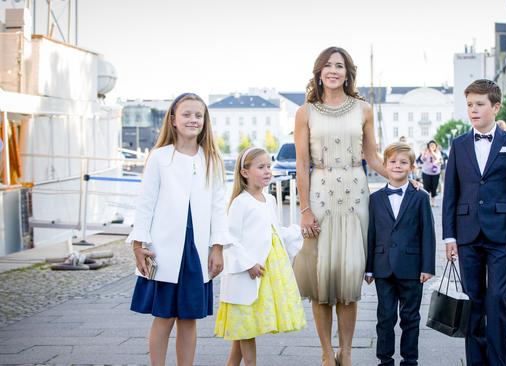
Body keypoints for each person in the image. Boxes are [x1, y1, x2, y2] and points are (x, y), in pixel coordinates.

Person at [292, 46, 388, 366]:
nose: (333, 70)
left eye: (340, 65)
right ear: (318, 72)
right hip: (319, 195)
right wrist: (304, 209)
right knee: (321, 280)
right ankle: (324, 352)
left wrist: (402, 177)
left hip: (355, 197)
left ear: (348, 73)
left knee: (348, 278)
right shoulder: (305, 112)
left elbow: (373, 157)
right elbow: (302, 163)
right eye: (328, 65)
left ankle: (345, 352)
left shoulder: (363, 109)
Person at [126, 93, 228, 366]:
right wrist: (139, 244)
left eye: (198, 115)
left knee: (188, 318)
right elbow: (145, 203)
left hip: (196, 250)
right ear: (172, 119)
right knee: (164, 317)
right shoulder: (159, 158)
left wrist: (217, 247)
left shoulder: (212, 160)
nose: (193, 119)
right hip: (164, 248)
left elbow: (219, 207)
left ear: (205, 121)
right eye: (186, 114)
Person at [442, 79, 506, 366]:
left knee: (499, 297)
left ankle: (498, 361)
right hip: (467, 234)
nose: (473, 110)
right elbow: (451, 193)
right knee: (473, 302)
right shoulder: (459, 144)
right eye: (469, 105)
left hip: (502, 234)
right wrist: (449, 236)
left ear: (495, 107)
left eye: (479, 104)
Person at [215, 147, 306, 366]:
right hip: (248, 272)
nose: (267, 171)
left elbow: (274, 232)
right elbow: (231, 239)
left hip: (267, 272)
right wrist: (248, 264)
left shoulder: (270, 199)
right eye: (261, 167)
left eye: (268, 166)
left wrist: (298, 232)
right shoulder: (240, 203)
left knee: (245, 328)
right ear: (245, 172)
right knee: (246, 328)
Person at [364, 142, 435, 366]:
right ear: (385, 165)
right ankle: (384, 360)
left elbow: (428, 233)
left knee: (410, 317)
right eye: (392, 162)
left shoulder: (421, 196)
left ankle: (410, 359)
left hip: (412, 267)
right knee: (385, 317)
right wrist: (368, 267)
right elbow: (371, 234)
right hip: (382, 266)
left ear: (412, 167)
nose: (397, 165)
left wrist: (427, 266)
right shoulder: (375, 199)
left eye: (403, 162)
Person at [418, 140, 443, 206]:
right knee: (426, 187)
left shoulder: (438, 152)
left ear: (435, 146)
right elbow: (422, 159)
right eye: (430, 145)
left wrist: (432, 152)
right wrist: (424, 152)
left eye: (433, 146)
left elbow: (437, 158)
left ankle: (433, 202)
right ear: (428, 146)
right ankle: (427, 202)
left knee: (434, 187)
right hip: (426, 172)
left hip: (435, 173)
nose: (432, 147)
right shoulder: (426, 152)